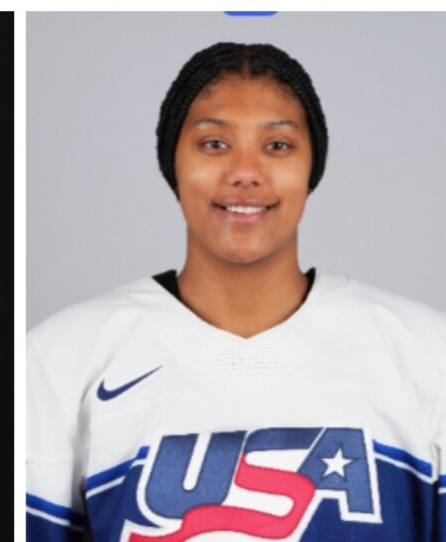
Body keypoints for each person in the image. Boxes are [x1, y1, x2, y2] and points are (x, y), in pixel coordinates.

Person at [25, 41, 445, 541]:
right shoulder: (62, 358)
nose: (245, 172)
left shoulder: (426, 353)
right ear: (173, 164)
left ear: (311, 167)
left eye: (277, 145)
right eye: (214, 144)